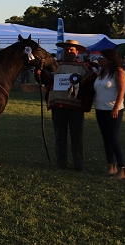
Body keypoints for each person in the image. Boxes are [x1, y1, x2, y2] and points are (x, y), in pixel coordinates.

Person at [37, 39, 96, 172]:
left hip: (76, 106)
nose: (68, 52)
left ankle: (79, 165)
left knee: (77, 137)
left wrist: (81, 94)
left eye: (71, 50)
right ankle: (61, 163)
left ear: (77, 52)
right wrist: (38, 72)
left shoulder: (84, 67)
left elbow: (90, 84)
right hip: (59, 105)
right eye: (66, 49)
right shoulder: (55, 65)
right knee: (60, 136)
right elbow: (44, 78)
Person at [93, 49, 125, 179]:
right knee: (106, 138)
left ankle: (123, 169)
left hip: (113, 109)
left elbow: (122, 91)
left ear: (110, 59)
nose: (100, 59)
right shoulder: (101, 72)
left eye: (102, 57)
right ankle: (111, 166)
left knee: (113, 138)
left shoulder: (118, 72)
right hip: (100, 109)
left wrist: (116, 108)